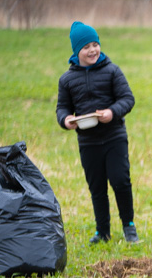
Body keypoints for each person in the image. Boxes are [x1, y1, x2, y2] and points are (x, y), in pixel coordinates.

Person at [56, 21, 138, 245]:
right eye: (86, 47)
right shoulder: (67, 80)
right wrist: (66, 120)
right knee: (97, 186)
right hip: (88, 141)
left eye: (95, 44)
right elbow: (62, 108)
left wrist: (112, 112)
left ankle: (129, 226)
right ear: (76, 51)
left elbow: (128, 99)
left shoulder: (112, 70)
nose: (92, 50)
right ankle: (102, 231)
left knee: (120, 180)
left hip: (114, 136)